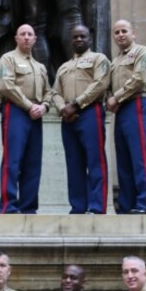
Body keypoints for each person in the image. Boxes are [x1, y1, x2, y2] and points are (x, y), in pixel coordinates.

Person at [50, 25, 111, 214]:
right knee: (74, 162)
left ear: (89, 38)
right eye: (75, 37)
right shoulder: (63, 67)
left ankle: (96, 206)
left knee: (95, 160)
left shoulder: (99, 59)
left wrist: (76, 104)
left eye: (82, 36)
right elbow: (55, 92)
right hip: (68, 117)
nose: (78, 39)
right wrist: (63, 108)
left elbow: (100, 84)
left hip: (90, 112)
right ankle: (78, 207)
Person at [0, 24, 50, 213]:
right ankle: (8, 205)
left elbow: (48, 91)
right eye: (23, 34)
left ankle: (28, 206)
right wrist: (29, 106)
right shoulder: (8, 59)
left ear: (35, 39)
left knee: (33, 163)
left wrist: (44, 106)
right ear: (16, 38)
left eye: (30, 34)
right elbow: (6, 86)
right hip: (16, 111)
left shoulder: (40, 66)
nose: (26, 37)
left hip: (36, 114)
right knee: (13, 159)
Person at [107, 19, 146, 213]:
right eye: (117, 32)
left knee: (139, 155)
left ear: (133, 33)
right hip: (121, 109)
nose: (120, 35)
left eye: (124, 31)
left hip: (136, 103)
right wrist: (111, 99)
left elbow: (139, 79)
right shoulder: (115, 61)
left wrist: (116, 97)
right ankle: (126, 205)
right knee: (123, 158)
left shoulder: (141, 52)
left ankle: (145, 203)